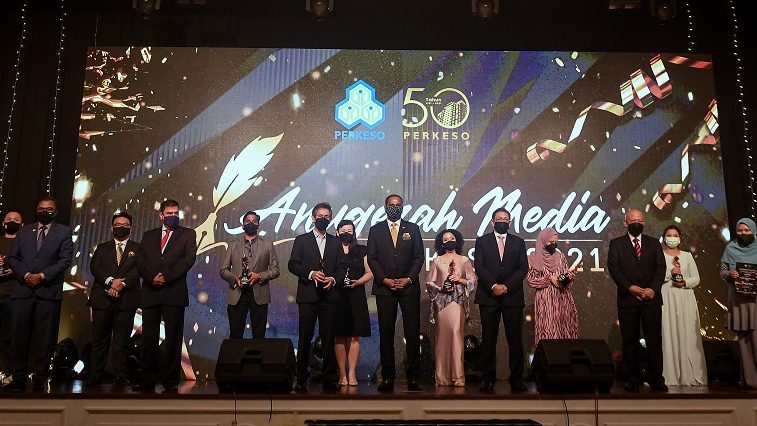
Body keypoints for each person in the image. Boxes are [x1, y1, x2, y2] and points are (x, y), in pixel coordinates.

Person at [4, 198, 73, 391]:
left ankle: (40, 379)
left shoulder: (64, 232)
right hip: (22, 290)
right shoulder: (24, 231)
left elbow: (65, 260)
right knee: (18, 336)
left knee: (45, 338)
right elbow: (13, 258)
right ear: (36, 210)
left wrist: (42, 276)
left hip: (48, 292)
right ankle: (18, 377)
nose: (45, 211)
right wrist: (26, 275)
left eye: (49, 209)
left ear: (56, 211)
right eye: (41, 209)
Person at [134, 199, 197, 393]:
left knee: (173, 339)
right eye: (169, 213)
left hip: (174, 292)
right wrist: (152, 277)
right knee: (148, 339)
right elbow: (141, 259)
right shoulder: (149, 235)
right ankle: (147, 379)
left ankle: (170, 381)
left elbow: (188, 260)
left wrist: (166, 276)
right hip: (151, 291)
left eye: (176, 213)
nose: (173, 216)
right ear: (161, 215)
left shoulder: (188, 234)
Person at [367, 194, 424, 392]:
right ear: (385, 207)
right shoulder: (375, 230)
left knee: (412, 333)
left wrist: (408, 279)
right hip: (385, 288)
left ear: (403, 207)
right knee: (386, 333)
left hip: (409, 288)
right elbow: (372, 258)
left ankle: (413, 377)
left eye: (398, 205)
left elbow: (419, 257)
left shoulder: (413, 229)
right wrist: (384, 279)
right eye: (391, 205)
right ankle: (387, 377)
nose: (394, 207)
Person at [607, 209, 667, 392]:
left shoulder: (654, 243)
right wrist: (629, 287)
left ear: (644, 223)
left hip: (651, 299)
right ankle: (632, 378)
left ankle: (656, 378)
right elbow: (614, 268)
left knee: (653, 340)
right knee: (630, 341)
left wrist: (652, 289)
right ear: (625, 222)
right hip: (628, 299)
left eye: (640, 221)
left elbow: (661, 268)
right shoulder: (616, 244)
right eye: (633, 220)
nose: (636, 223)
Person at [474, 208, 528, 392]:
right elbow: (479, 266)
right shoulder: (482, 241)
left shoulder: (518, 242)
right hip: (488, 296)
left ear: (510, 223)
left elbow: (522, 268)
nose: (502, 221)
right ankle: (487, 378)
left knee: (515, 340)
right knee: (488, 339)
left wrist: (506, 287)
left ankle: (516, 379)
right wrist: (493, 286)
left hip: (512, 297)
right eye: (499, 219)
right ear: (492, 222)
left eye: (506, 219)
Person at [288, 202, 340, 391]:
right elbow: (292, 265)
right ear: (312, 218)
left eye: (327, 217)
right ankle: (301, 378)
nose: (323, 219)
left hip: (329, 296)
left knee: (328, 338)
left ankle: (330, 377)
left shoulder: (336, 242)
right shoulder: (302, 240)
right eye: (320, 216)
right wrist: (310, 274)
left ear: (330, 218)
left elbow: (342, 267)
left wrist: (333, 279)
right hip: (308, 296)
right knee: (305, 337)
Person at [88, 212, 141, 387]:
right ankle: (95, 376)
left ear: (131, 228)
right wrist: (111, 282)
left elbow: (139, 270)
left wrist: (121, 285)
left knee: (122, 341)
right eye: (118, 224)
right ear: (112, 227)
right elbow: (95, 267)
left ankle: (120, 376)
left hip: (126, 300)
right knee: (99, 340)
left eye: (125, 225)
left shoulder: (138, 248)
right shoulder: (102, 247)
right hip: (102, 299)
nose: (121, 227)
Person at [426, 229, 476, 387]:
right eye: (446, 239)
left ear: (457, 240)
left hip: (458, 301)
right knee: (442, 337)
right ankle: (442, 377)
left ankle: (458, 376)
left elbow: (472, 281)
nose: (449, 241)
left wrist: (459, 280)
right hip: (441, 303)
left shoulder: (464, 260)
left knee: (456, 334)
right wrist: (441, 288)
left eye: (452, 238)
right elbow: (429, 283)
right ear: (441, 243)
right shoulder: (437, 260)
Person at [220, 211, 279, 339]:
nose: (251, 223)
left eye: (254, 221)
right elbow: (223, 270)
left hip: (259, 293)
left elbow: (275, 270)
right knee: (235, 335)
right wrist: (235, 278)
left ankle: (257, 354)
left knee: (259, 335)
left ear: (258, 225)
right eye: (248, 221)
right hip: (237, 293)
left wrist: (260, 276)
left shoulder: (267, 245)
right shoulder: (233, 245)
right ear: (243, 225)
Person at [660, 224, 706, 386]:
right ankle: (671, 375)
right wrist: (670, 274)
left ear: (680, 238)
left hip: (685, 297)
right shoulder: (659, 255)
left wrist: (685, 282)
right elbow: (655, 276)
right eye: (669, 235)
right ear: (664, 238)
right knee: (669, 332)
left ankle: (689, 374)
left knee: (688, 332)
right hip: (667, 296)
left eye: (675, 235)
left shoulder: (687, 256)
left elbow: (696, 278)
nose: (672, 238)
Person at [333, 219, 372, 387]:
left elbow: (369, 272)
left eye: (350, 231)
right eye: (343, 230)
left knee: (355, 336)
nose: (346, 233)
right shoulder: (331, 249)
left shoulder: (362, 250)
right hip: (337, 295)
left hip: (356, 295)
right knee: (339, 335)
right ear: (337, 231)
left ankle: (352, 373)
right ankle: (342, 374)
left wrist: (358, 282)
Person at [720, 217, 757, 388]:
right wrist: (730, 274)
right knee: (744, 340)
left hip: (755, 300)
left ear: (753, 230)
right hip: (739, 299)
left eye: (746, 230)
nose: (743, 233)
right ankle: (751, 381)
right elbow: (723, 271)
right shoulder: (731, 247)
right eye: (740, 230)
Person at [526, 227, 578, 347]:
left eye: (555, 242)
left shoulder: (560, 256)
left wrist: (568, 277)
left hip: (563, 299)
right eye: (551, 242)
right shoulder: (534, 257)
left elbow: (564, 277)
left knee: (565, 332)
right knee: (548, 332)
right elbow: (531, 280)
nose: (553, 244)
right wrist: (549, 279)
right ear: (543, 241)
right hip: (545, 301)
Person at [0, 209, 22, 379]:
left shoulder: (24, 245)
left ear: (22, 224)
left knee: (10, 336)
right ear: (3, 222)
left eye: (16, 219)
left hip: (13, 295)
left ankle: (9, 372)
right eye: (9, 219)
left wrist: (15, 270)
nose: (12, 221)